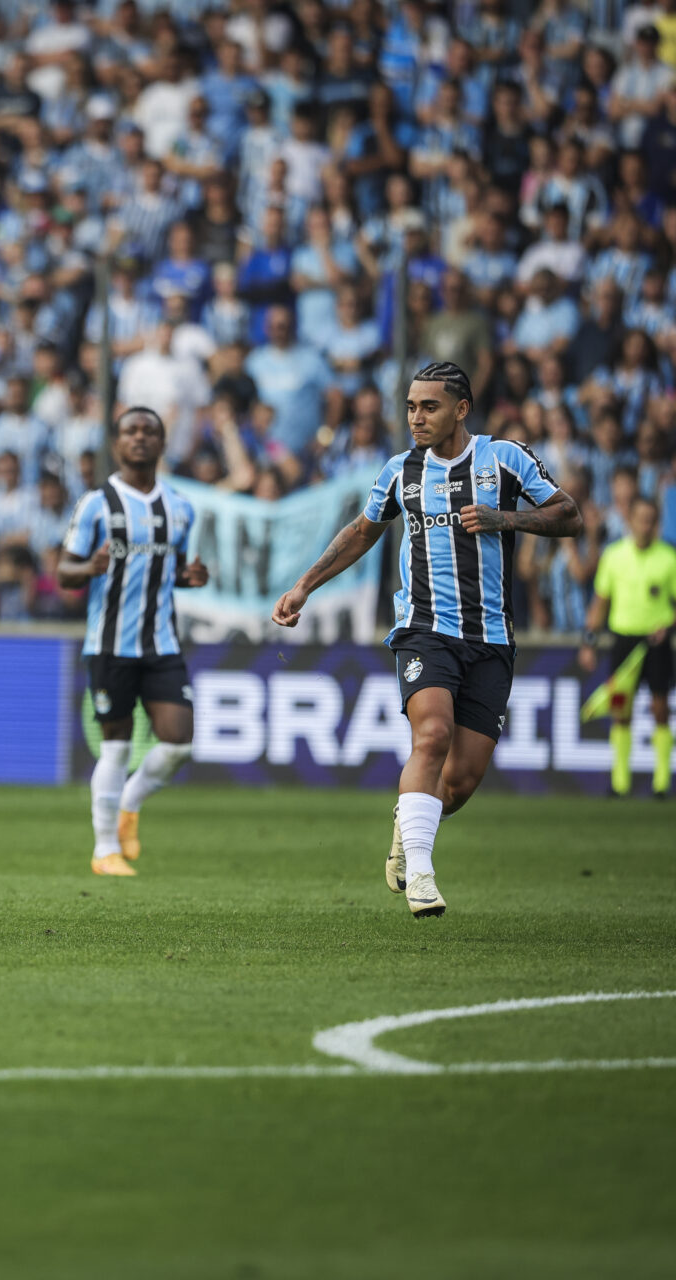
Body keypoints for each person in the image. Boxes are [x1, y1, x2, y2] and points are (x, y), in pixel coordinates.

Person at [274, 362, 583, 918]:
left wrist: (504, 519)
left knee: (458, 785)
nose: (416, 418)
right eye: (411, 407)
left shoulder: (507, 459)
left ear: (461, 409)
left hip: (490, 638)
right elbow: (361, 532)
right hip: (423, 629)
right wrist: (303, 587)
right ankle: (421, 874)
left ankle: (407, 823)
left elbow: (569, 515)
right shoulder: (401, 471)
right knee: (432, 732)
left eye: (429, 407)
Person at [57, 407, 210, 878]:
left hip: (161, 643)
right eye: (130, 431)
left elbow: (175, 570)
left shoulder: (180, 508)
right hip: (109, 645)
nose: (140, 438)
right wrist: (89, 568)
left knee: (179, 742)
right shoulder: (96, 504)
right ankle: (105, 850)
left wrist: (191, 577)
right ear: (116, 442)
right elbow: (64, 571)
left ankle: (129, 801)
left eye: (149, 432)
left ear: (162, 444)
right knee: (117, 748)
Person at [579, 496, 676, 799]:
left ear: (656, 523)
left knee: (660, 708)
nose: (645, 526)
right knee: (621, 710)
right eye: (640, 519)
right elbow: (600, 601)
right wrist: (589, 641)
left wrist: (669, 625)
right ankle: (620, 782)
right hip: (623, 640)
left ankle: (662, 782)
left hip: (656, 642)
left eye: (650, 520)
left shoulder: (668, 558)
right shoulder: (614, 556)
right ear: (630, 521)